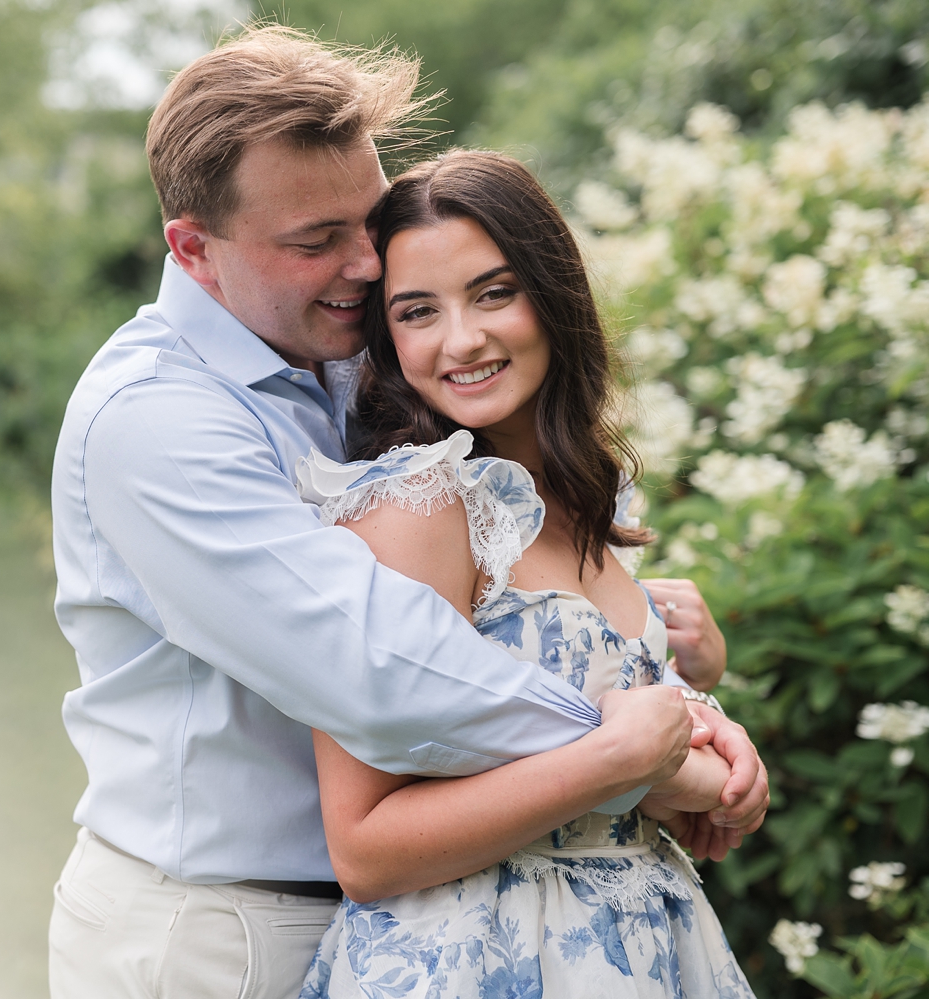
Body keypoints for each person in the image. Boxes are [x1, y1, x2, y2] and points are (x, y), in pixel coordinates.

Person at [48, 25, 767, 999]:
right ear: (193, 248)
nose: (367, 266)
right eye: (317, 241)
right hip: (218, 928)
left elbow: (515, 599)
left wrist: (666, 665)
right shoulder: (158, 422)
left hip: (418, 913)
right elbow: (381, 667)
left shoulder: (352, 356)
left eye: (368, 221)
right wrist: (646, 753)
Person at [295, 151, 756, 997]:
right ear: (387, 339)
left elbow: (596, 736)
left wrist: (699, 694)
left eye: (493, 292)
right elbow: (364, 848)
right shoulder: (418, 508)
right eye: (417, 311)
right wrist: (633, 763)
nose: (461, 340)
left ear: (554, 294)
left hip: (648, 949)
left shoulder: (586, 496)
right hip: (483, 959)